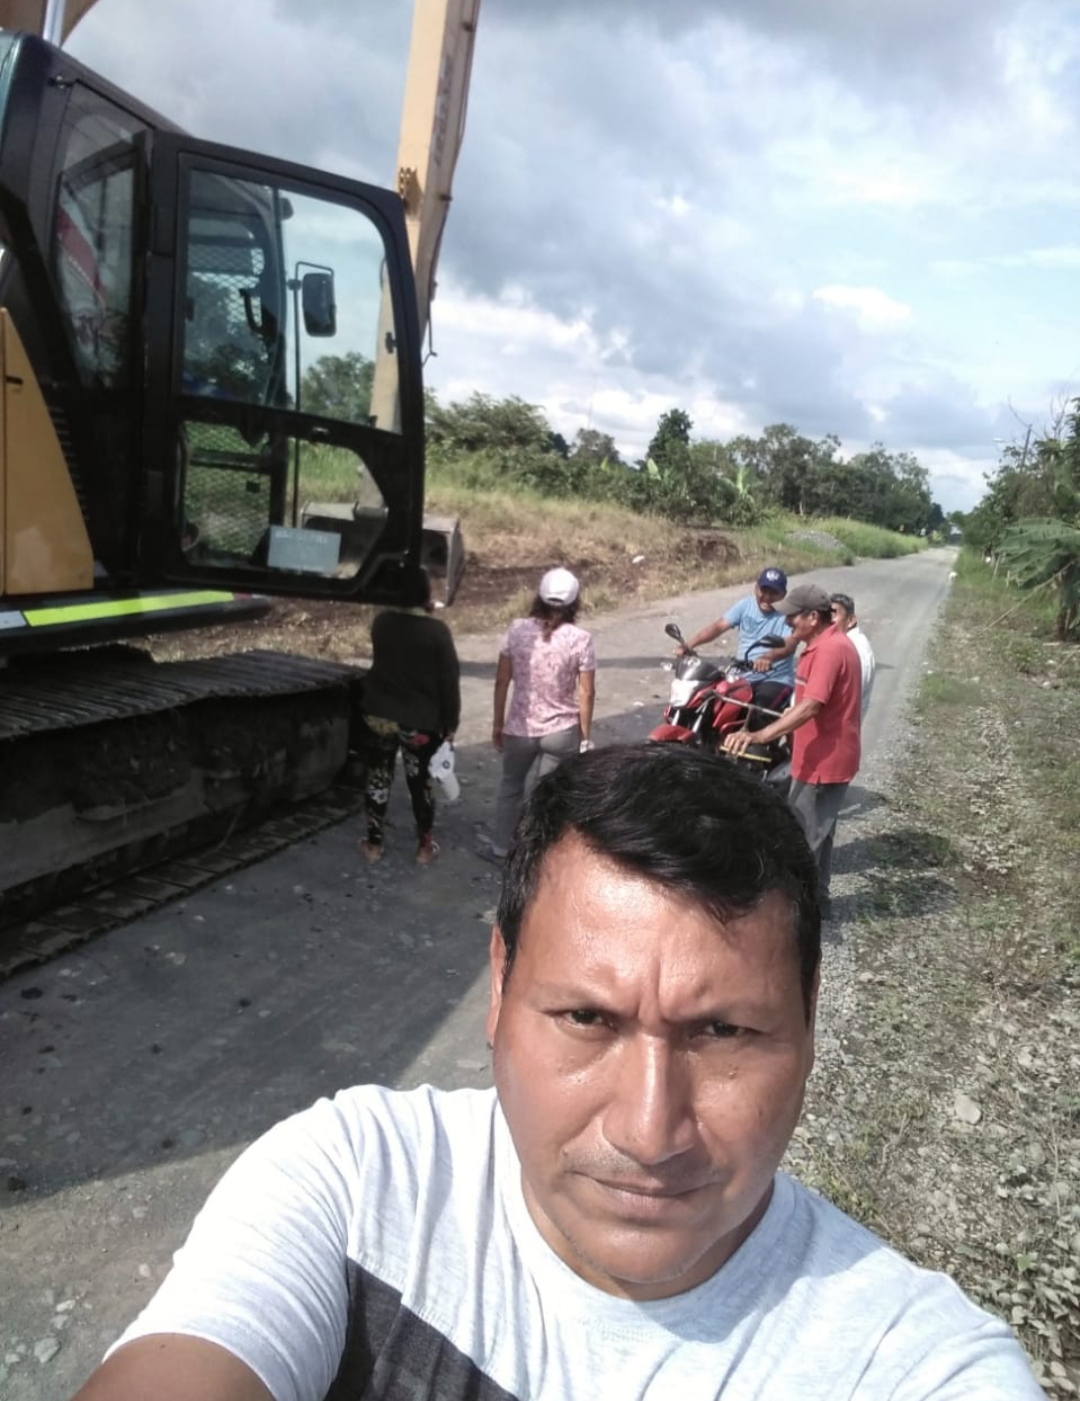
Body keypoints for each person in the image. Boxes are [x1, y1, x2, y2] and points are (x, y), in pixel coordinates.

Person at [70, 745, 1040, 1400]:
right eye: (587, 1017)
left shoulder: (907, 1360)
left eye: (725, 1031)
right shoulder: (358, 1185)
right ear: (499, 988)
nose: (649, 1133)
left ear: (809, 1019)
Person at [725, 582, 860, 909]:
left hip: (823, 763)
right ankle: (818, 903)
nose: (787, 622)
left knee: (804, 842)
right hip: (815, 756)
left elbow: (811, 706)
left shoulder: (829, 651)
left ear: (813, 617)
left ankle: (796, 914)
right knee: (820, 836)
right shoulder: (822, 645)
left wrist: (759, 736)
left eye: (793, 617)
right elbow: (811, 703)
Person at [485, 566, 596, 861]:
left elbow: (502, 681)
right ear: (574, 602)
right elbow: (586, 692)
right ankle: (535, 855)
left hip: (520, 728)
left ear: (539, 597)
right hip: (561, 731)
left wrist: (498, 723)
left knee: (511, 786)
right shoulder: (580, 638)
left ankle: (501, 847)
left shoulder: (516, 630)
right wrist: (585, 736)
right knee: (546, 794)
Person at [356, 571, 460, 866]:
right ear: (426, 593)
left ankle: (374, 845)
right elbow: (449, 682)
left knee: (378, 777)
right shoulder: (437, 632)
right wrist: (451, 722)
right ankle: (424, 848)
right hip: (421, 722)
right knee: (420, 782)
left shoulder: (382, 623)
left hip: (379, 715)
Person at [677, 565, 796, 703]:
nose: (768, 597)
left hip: (775, 679)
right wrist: (688, 645)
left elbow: (789, 644)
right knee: (707, 701)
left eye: (774, 593)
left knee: (758, 710)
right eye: (764, 590)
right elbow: (719, 626)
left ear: (783, 594)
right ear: (756, 588)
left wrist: (768, 657)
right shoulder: (745, 605)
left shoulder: (788, 615)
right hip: (741, 676)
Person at [831, 591, 875, 719]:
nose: (828, 620)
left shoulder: (853, 649)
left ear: (850, 620)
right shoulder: (851, 643)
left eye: (833, 614)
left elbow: (847, 698)